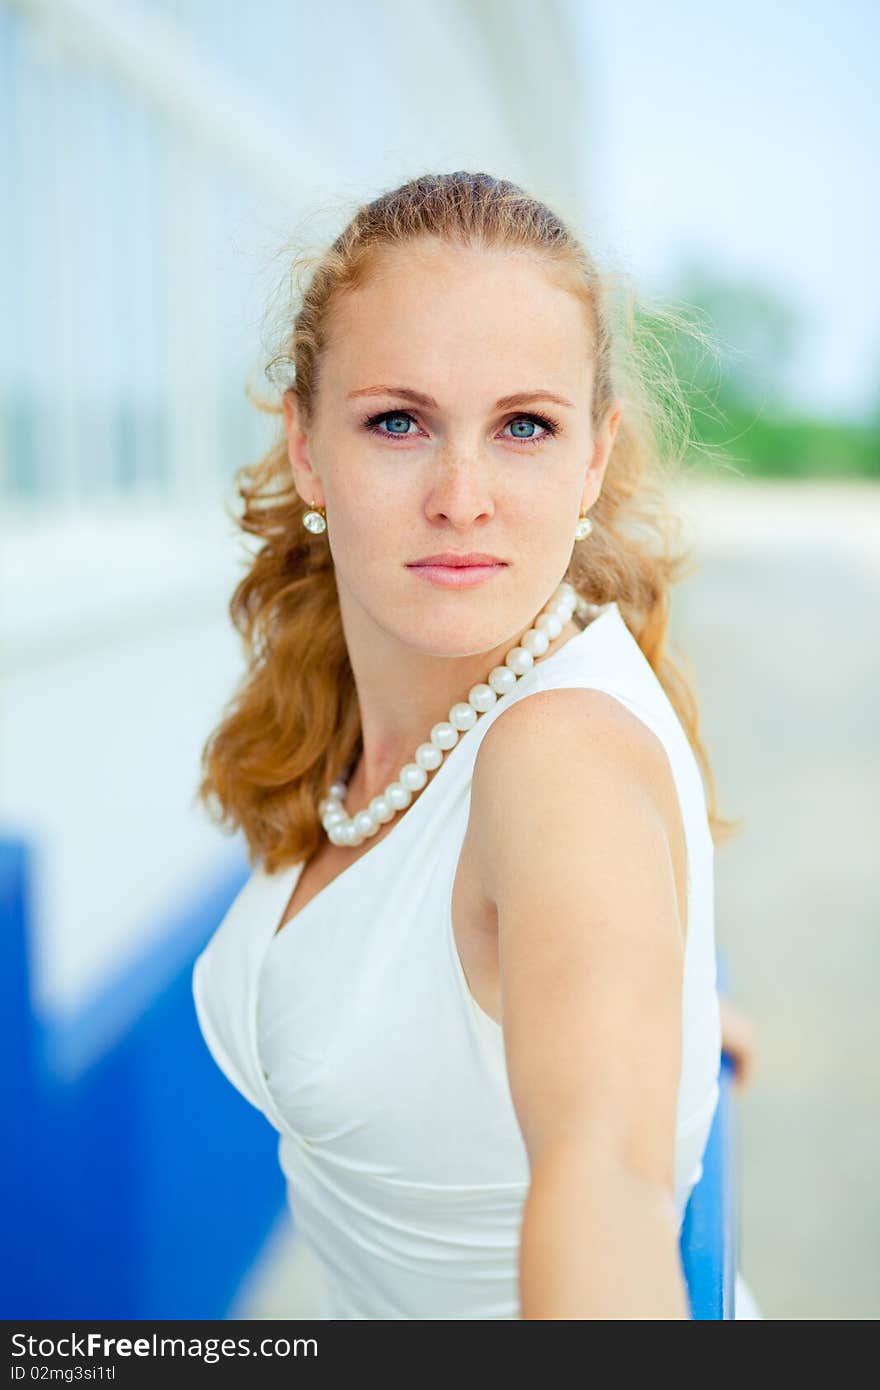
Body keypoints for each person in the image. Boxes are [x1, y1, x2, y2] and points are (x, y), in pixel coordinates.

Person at [193, 171, 760, 1319]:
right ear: (306, 447)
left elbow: (603, 1177)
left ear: (592, 458)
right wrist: (674, 1012)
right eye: (397, 421)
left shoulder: (560, 754)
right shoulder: (350, 714)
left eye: (523, 426)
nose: (462, 496)